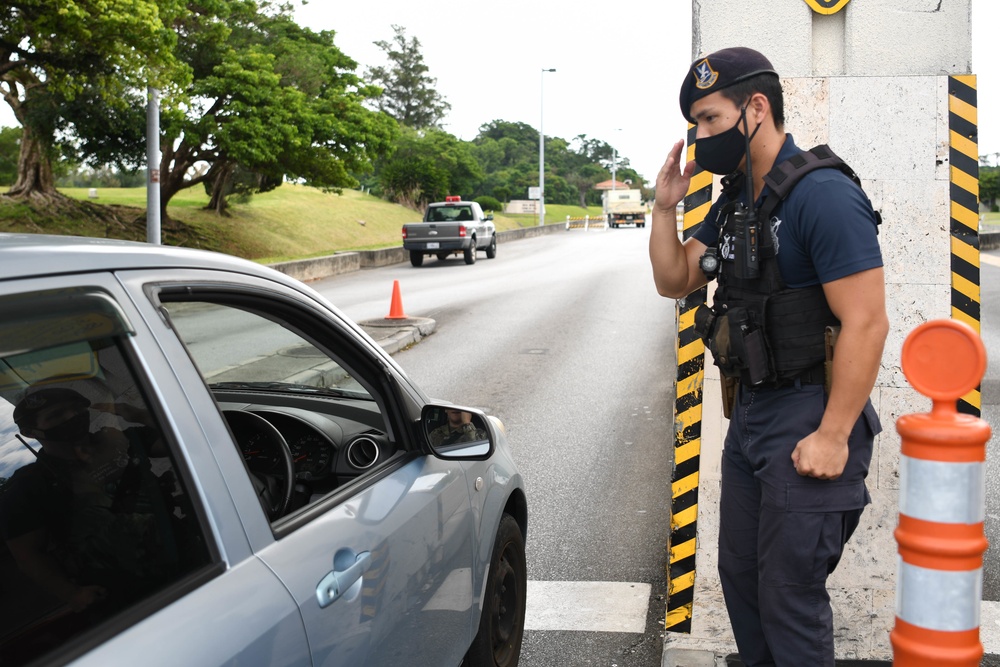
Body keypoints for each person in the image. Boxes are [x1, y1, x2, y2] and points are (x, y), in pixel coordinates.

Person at [649, 47, 889, 666]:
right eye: (695, 124)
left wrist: (834, 435)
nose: (700, 138)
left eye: (709, 118)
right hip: (753, 416)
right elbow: (675, 280)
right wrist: (666, 208)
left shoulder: (822, 195)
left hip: (810, 411)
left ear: (756, 108)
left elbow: (867, 321)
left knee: (788, 596)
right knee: (743, 580)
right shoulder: (736, 201)